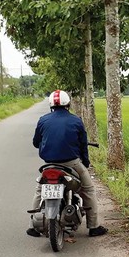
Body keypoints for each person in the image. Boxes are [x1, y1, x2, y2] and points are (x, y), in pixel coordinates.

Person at [27, 90, 108, 237]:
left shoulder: (43, 120)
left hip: (49, 164)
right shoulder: (76, 120)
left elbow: (35, 143)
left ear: (51, 104)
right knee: (88, 190)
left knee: (40, 191)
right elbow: (83, 146)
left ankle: (32, 226)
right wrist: (86, 162)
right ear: (68, 104)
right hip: (71, 163)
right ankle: (94, 226)